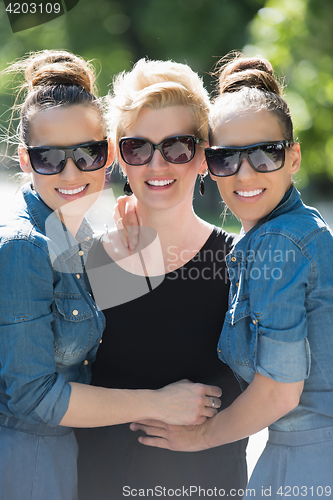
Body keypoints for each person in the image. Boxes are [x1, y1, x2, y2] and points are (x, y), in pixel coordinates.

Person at [0, 50, 222, 500]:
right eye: (48, 158)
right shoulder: (24, 245)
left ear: (106, 156)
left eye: (87, 153)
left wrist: (125, 262)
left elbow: (93, 334)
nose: (70, 171)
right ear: (25, 160)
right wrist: (159, 403)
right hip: (32, 466)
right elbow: (33, 396)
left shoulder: (73, 233)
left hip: (71, 465)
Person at [130, 54, 333, 498]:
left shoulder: (277, 244)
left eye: (265, 154)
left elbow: (280, 391)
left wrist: (200, 437)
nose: (244, 174)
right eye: (226, 159)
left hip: (305, 467)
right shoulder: (265, 242)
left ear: (294, 156)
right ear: (209, 163)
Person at [75, 58, 248, 499]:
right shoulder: (93, 259)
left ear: (204, 156)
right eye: (138, 148)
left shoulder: (241, 261)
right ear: (118, 156)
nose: (157, 164)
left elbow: (279, 392)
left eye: (176, 147)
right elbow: (52, 387)